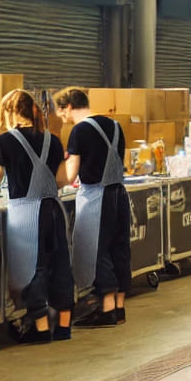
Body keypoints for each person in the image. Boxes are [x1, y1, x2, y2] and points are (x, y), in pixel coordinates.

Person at [0, 90, 73, 343]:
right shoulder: (53, 139)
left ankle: (40, 330)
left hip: (27, 214)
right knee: (60, 265)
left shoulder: (4, 142)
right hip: (54, 210)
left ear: (9, 113)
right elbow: (61, 180)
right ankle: (63, 328)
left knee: (32, 268)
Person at [55, 88, 130, 328]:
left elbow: (70, 174)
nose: (60, 117)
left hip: (97, 195)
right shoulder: (115, 125)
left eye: (60, 111)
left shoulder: (80, 130)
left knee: (95, 248)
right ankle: (119, 307)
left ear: (67, 106)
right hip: (119, 193)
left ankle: (105, 308)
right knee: (119, 247)